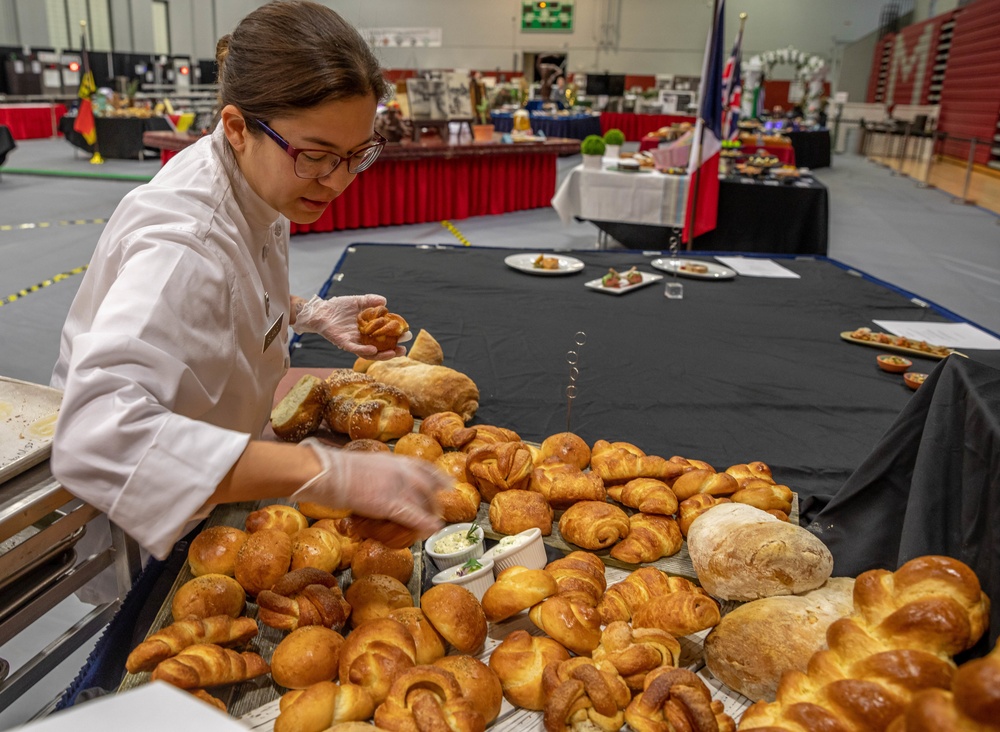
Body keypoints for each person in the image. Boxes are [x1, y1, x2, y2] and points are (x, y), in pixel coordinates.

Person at [49, 0, 449, 565]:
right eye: (317, 155)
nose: (337, 182)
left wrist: (305, 312)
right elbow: (98, 438)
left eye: (356, 155)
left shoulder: (262, 177)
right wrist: (326, 471)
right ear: (237, 127)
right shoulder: (180, 242)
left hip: (220, 464)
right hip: (144, 518)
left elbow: (221, 296)